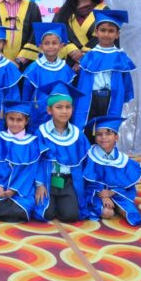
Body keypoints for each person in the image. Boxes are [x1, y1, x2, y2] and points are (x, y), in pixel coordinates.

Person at [0, 100, 48, 222]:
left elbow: (29, 172)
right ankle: (5, 210)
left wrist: (14, 190)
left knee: (20, 209)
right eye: (11, 119)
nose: (15, 123)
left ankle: (5, 210)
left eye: (19, 120)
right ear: (6, 119)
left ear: (26, 121)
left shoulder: (32, 143)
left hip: (22, 190)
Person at [33, 81, 90, 222]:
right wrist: (39, 184)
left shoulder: (77, 135)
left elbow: (87, 161)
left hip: (68, 181)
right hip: (48, 180)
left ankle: (63, 203)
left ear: (72, 109)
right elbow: (36, 162)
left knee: (70, 216)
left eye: (68, 107)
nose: (64, 111)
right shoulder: (41, 132)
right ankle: (54, 203)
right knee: (46, 214)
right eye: (59, 107)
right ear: (49, 110)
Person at [73, 10, 135, 128]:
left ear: (117, 34)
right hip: (90, 97)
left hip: (111, 97)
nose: (106, 34)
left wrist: (123, 96)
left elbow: (126, 81)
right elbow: (82, 82)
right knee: (85, 127)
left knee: (107, 129)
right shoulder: (89, 56)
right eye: (103, 30)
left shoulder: (121, 57)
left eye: (111, 31)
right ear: (96, 32)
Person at [82, 116, 141, 226]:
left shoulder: (122, 160)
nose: (103, 137)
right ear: (95, 138)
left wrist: (112, 192)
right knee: (108, 213)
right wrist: (103, 195)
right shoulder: (90, 156)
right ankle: (111, 206)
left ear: (116, 137)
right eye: (99, 134)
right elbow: (87, 182)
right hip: (95, 193)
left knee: (130, 213)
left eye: (108, 134)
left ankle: (118, 207)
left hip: (117, 192)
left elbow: (126, 184)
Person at [52, 0, 109, 69]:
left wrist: (83, 58)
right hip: (66, 65)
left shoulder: (104, 11)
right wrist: (72, 51)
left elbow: (107, 38)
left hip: (95, 65)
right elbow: (55, 35)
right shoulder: (63, 12)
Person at [21, 22, 76, 133]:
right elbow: (26, 96)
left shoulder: (66, 70)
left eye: (54, 43)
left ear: (61, 45)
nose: (50, 46)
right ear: (40, 46)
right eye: (46, 43)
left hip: (61, 117)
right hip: (38, 116)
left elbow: (69, 96)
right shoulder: (33, 69)